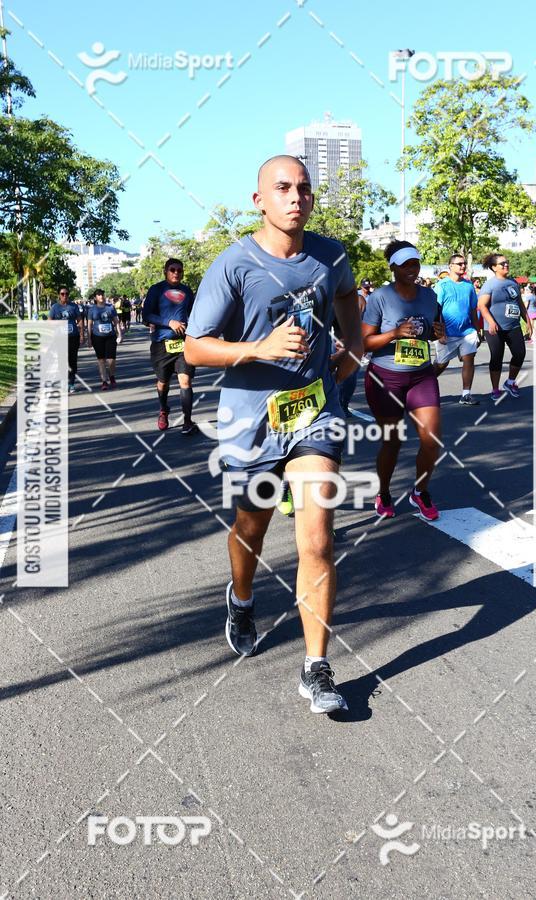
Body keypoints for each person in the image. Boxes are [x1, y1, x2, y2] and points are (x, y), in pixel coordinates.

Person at [184, 155, 362, 714]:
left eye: (304, 188)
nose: (296, 197)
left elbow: (347, 300)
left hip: (314, 413)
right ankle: (241, 598)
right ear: (259, 200)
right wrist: (257, 349)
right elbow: (195, 347)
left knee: (318, 539)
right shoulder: (234, 264)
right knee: (251, 530)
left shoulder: (331, 255)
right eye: (283, 188)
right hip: (250, 422)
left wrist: (353, 351)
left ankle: (316, 667)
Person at [362, 240, 445, 522]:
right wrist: (394, 334)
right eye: (405, 264)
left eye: (415, 263)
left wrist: (436, 332)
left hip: (421, 374)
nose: (412, 269)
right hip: (386, 378)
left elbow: (431, 331)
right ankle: (384, 493)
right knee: (393, 441)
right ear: (393, 267)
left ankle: (420, 492)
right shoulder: (380, 298)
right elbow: (365, 342)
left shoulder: (429, 295)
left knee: (431, 439)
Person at [142, 259, 199, 435]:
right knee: (163, 382)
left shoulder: (187, 291)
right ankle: (163, 409)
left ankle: (187, 421)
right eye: (172, 270)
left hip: (183, 344)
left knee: (185, 381)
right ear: (165, 271)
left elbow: (194, 314)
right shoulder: (156, 289)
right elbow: (146, 315)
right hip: (162, 344)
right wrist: (169, 322)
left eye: (179, 270)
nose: (176, 273)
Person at [478, 254, 532, 400]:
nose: (506, 265)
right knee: (497, 357)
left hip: (513, 326)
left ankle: (510, 382)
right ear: (494, 267)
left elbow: (519, 303)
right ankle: (495, 389)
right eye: (502, 263)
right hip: (494, 328)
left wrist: (528, 321)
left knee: (520, 353)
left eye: (507, 262)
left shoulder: (513, 282)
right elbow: (481, 305)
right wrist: (491, 322)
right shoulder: (490, 284)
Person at [432, 253, 481, 405]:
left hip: (467, 332)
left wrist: (477, 330)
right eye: (459, 264)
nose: (463, 266)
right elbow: (436, 310)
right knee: (441, 364)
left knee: (469, 358)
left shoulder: (469, 286)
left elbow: (473, 310)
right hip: (447, 333)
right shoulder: (442, 285)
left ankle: (466, 394)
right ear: (451, 266)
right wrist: (439, 333)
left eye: (464, 263)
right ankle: (423, 385)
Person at [49, 286, 85, 393]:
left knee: (72, 360)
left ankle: (71, 383)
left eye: (66, 294)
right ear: (59, 295)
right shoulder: (55, 307)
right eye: (62, 294)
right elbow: (50, 321)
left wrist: (82, 335)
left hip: (73, 337)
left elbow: (79, 320)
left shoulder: (73, 306)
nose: (65, 296)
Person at [87, 289, 122, 390]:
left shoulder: (110, 307)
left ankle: (111, 376)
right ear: (95, 298)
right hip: (97, 337)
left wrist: (120, 334)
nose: (101, 296)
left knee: (111, 359)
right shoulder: (92, 310)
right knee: (101, 360)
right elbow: (89, 325)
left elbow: (116, 322)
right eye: (98, 295)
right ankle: (104, 381)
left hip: (110, 336)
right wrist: (89, 339)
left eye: (102, 294)